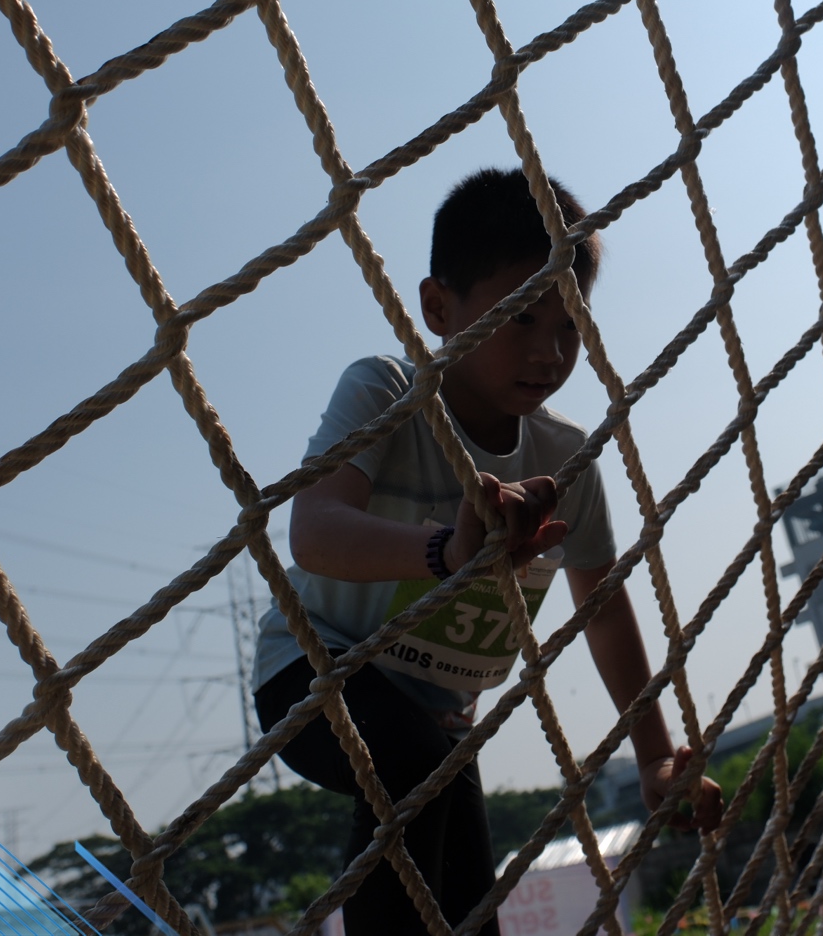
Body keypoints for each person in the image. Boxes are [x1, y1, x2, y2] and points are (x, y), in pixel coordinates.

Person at [253, 167, 724, 934]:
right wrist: (448, 550)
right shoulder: (388, 392)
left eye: (569, 326)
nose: (549, 352)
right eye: (521, 319)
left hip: (440, 717)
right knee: (410, 766)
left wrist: (654, 756)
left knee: (471, 905)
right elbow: (315, 531)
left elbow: (603, 609)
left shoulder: (565, 457)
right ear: (439, 308)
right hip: (313, 671)